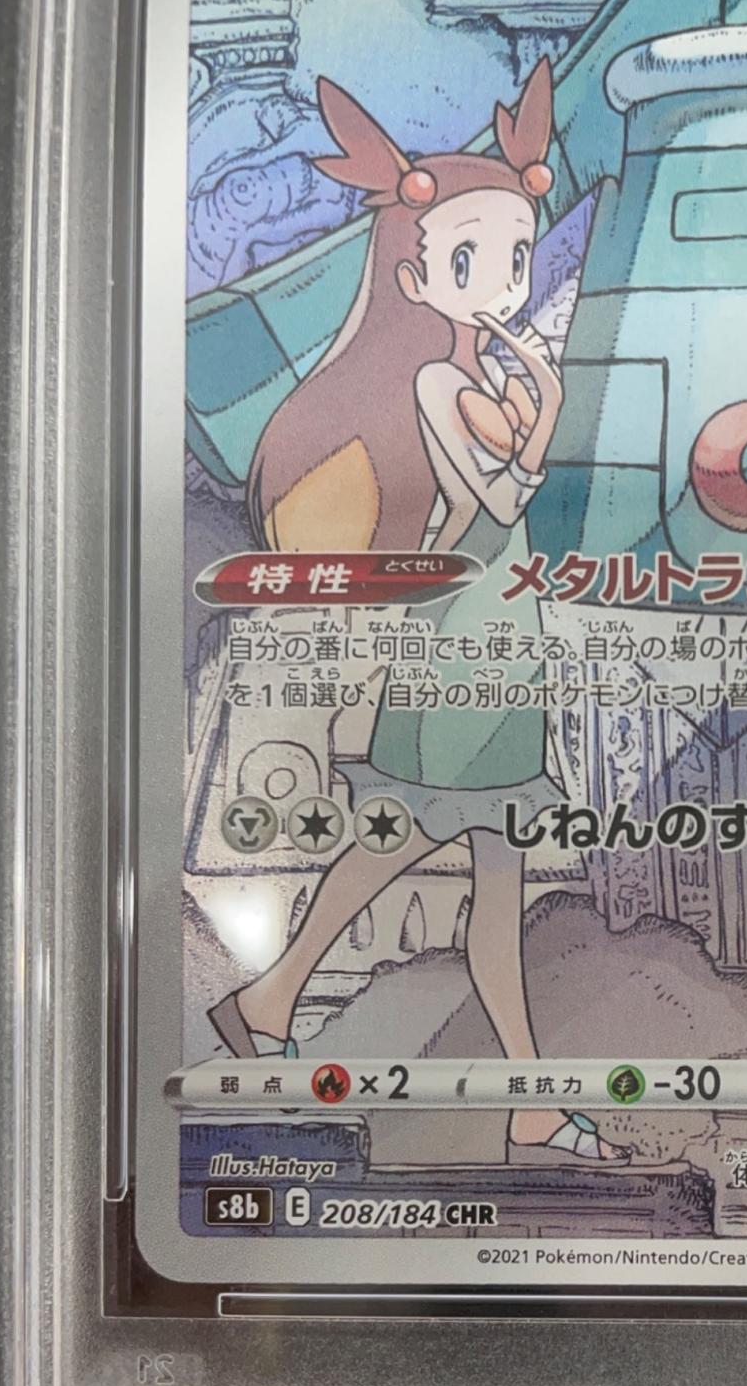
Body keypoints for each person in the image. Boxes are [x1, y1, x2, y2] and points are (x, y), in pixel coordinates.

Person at [207, 62, 627, 1166]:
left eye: (519, 259)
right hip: (460, 644)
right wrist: (543, 421)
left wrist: (534, 403)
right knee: (426, 847)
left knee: (475, 874)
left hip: (501, 642)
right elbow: (493, 508)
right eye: (473, 261)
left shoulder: (486, 372)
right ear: (414, 270)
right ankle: (283, 1005)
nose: (504, 284)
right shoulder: (438, 384)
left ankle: (284, 1006)